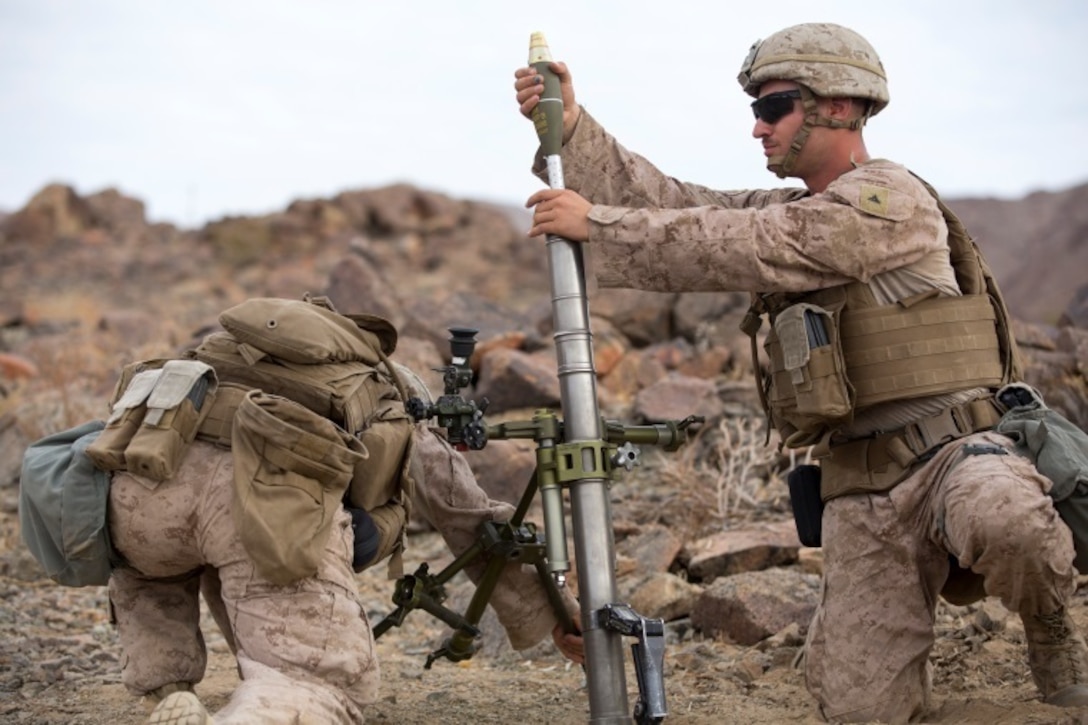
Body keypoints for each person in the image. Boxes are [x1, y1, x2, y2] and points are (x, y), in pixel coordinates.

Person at [513, 22, 1087, 724]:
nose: (757, 127)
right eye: (756, 110)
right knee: (860, 709)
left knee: (1012, 523)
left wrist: (597, 227)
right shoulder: (792, 207)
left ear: (839, 107)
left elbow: (756, 244)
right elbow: (673, 204)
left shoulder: (890, 200)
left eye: (773, 106)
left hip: (957, 455)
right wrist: (570, 126)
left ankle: (1049, 619)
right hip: (862, 484)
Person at [106, 346, 583, 724]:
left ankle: (166, 689)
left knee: (158, 569)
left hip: (138, 486)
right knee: (316, 680)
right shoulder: (389, 405)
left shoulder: (228, 366)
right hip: (252, 506)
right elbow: (473, 520)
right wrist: (557, 612)